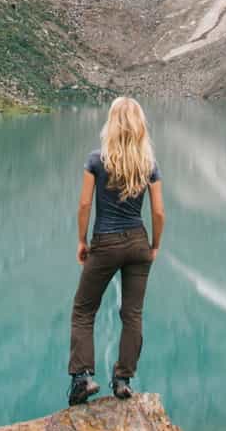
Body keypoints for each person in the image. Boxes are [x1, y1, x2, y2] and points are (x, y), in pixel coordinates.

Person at [67, 96, 165, 406]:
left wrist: (82, 241)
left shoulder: (97, 160)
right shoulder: (149, 164)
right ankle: (123, 379)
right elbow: (159, 212)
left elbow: (84, 204)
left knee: (84, 310)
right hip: (138, 241)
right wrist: (155, 245)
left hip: (105, 242)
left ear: (112, 124)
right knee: (132, 314)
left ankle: (82, 377)